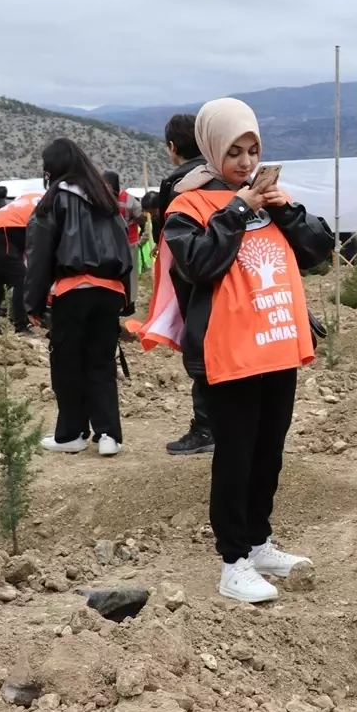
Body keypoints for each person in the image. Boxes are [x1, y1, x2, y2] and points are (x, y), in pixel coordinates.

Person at [162, 98, 333, 603]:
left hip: (277, 345)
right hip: (229, 352)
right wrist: (239, 209)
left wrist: (285, 210)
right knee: (235, 456)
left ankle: (259, 543)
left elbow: (317, 250)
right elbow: (196, 263)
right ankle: (232, 561)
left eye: (253, 150)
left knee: (268, 452)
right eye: (234, 151)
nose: (245, 161)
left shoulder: (270, 199)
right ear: (213, 150)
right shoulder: (186, 206)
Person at [25, 139, 131, 456]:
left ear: (51, 169)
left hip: (73, 292)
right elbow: (125, 250)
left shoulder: (54, 200)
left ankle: (71, 434)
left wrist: (32, 303)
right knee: (101, 362)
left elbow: (39, 254)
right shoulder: (106, 200)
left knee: (68, 364)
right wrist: (127, 300)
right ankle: (109, 435)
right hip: (110, 292)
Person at [156, 112, 214, 456]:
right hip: (230, 273)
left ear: (173, 147)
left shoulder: (178, 184)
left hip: (193, 273)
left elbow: (168, 235)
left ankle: (206, 426)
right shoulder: (223, 174)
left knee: (199, 347)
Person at [0, 192, 40, 334]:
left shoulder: (31, 198)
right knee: (22, 279)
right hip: (0, 236)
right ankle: (21, 326)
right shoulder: (47, 206)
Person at [103, 171, 142, 313]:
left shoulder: (130, 200)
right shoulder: (102, 199)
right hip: (110, 245)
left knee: (129, 276)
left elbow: (141, 216)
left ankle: (129, 306)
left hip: (129, 243)